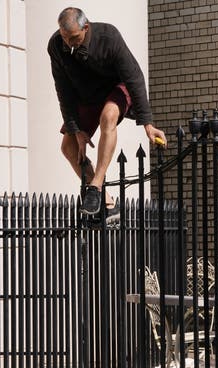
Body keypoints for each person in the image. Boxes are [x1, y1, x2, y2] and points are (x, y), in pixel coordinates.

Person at [48, 7, 166, 221]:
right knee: (68, 147)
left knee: (109, 115)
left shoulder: (108, 37)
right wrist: (77, 131)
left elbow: (134, 78)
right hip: (88, 96)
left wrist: (147, 123)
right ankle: (107, 202)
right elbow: (63, 90)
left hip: (117, 88)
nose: (68, 43)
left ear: (86, 27)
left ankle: (95, 186)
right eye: (65, 37)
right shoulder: (56, 45)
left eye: (73, 38)